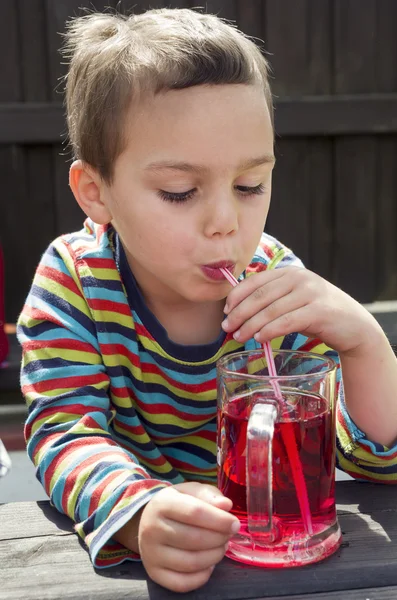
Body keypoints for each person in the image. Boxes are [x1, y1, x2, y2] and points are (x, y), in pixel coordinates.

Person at [17, 7, 397, 593]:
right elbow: (65, 432)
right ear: (97, 193)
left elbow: (372, 463)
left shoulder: (273, 283)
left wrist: (368, 346)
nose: (226, 222)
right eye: (180, 192)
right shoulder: (76, 283)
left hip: (282, 566)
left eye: (250, 186)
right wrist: (140, 515)